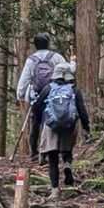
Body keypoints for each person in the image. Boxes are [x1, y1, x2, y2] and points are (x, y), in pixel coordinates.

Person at [32, 61, 90, 198]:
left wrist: (40, 120)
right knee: (66, 151)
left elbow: (36, 107)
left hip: (51, 126)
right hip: (69, 126)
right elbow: (82, 111)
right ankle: (67, 164)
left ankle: (54, 190)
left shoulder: (48, 88)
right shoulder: (74, 90)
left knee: (52, 158)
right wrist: (86, 128)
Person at [14, 32, 66, 160]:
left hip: (35, 95)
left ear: (35, 45)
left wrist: (20, 95)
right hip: (52, 94)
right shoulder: (57, 57)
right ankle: (48, 151)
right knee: (49, 121)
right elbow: (66, 72)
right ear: (48, 43)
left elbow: (25, 79)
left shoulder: (31, 60)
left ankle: (34, 152)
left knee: (35, 122)